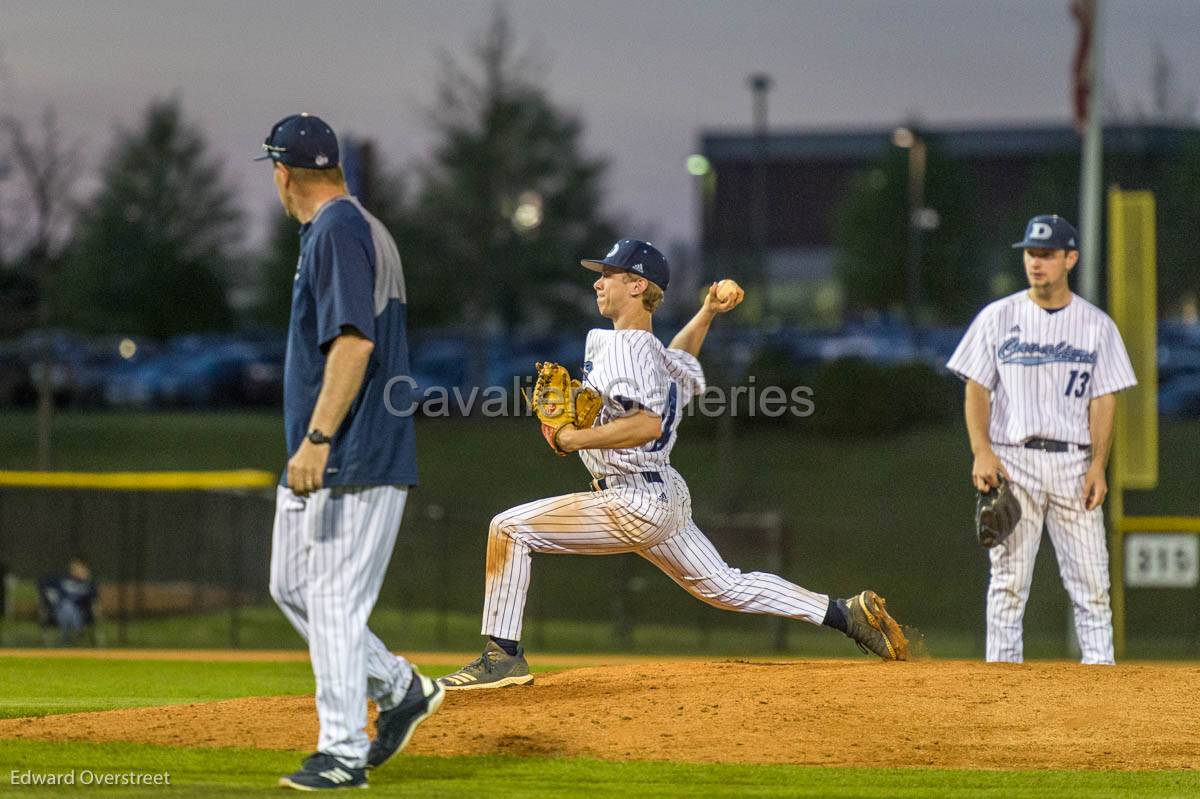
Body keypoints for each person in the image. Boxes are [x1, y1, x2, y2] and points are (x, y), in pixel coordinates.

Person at [439, 239, 908, 690]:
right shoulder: (650, 352)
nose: (598, 283)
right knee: (725, 586)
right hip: (662, 493)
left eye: (609, 275)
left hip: (632, 499)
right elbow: (681, 355)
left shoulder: (628, 349)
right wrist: (708, 312)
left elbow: (645, 423)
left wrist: (574, 437)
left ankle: (502, 657)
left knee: (509, 528)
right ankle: (844, 614)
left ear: (638, 286)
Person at [256, 114, 441, 790]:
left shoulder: (337, 228)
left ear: (283, 173)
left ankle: (341, 752)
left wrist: (318, 437)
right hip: (336, 450)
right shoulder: (352, 224)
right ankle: (399, 688)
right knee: (294, 586)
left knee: (331, 598)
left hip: (351, 451)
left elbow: (355, 343)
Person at [947, 215, 1136, 665]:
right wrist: (982, 451)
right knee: (1009, 581)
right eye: (1032, 253)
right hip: (1015, 462)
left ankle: (1101, 680)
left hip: (1073, 463)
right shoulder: (998, 317)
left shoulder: (1097, 326)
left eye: (1047, 254)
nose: (1036, 262)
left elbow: (1103, 400)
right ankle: (1001, 681)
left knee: (1091, 585)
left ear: (1070, 258)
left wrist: (1097, 466)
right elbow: (976, 386)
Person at [38, 558, 98, 646]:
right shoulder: (63, 581)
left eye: (80, 568)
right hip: (59, 610)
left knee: (68, 607)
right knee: (66, 606)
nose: (76, 570)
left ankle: (65, 637)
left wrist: (86, 579)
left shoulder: (88, 585)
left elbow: (93, 600)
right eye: (74, 568)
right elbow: (44, 586)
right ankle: (77, 632)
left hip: (80, 612)